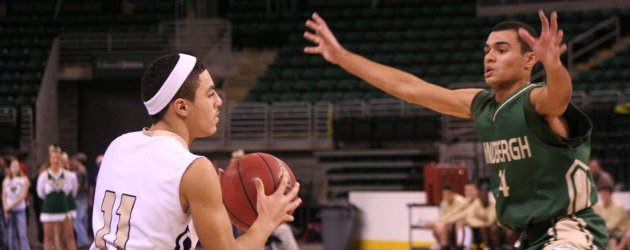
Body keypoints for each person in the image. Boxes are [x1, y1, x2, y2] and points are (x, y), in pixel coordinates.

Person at [304, 10, 609, 249]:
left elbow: (559, 98)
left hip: (571, 232)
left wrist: (554, 65)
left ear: (530, 58)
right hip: (530, 238)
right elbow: (410, 88)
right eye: (487, 50)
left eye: (501, 50)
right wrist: (342, 57)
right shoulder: (481, 105)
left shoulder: (535, 100)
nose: (489, 56)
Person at [91, 53, 301, 249]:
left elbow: (150, 217)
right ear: (181, 107)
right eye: (210, 94)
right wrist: (266, 221)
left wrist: (208, 196)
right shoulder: (194, 169)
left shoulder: (118, 145)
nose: (218, 102)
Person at [37, 145, 77, 250]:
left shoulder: (67, 174)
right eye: (53, 158)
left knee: (70, 236)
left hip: (64, 208)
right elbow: (40, 192)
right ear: (50, 159)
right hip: (49, 209)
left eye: (58, 158)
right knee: (48, 237)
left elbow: (70, 190)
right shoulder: (44, 175)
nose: (56, 160)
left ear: (61, 159)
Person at [424, 184, 466, 248]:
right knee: (438, 227)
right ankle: (443, 246)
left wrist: (446, 221)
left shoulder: (460, 201)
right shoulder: (444, 203)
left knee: (443, 227)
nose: (446, 197)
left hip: (458, 225)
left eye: (448, 194)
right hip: (447, 225)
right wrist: (434, 224)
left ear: (454, 193)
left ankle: (445, 246)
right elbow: (442, 218)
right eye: (444, 195)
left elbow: (462, 214)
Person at [3, 157, 30, 250]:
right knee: (11, 234)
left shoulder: (24, 180)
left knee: (22, 234)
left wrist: (9, 206)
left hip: (20, 209)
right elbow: (4, 196)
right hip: (10, 211)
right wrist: (5, 209)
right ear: (10, 168)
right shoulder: (6, 181)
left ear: (19, 168)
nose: (15, 168)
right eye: (13, 166)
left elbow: (22, 196)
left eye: (17, 166)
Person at [593, 185, 630, 250]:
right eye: (601, 193)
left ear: (610, 194)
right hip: (610, 233)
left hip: (623, 233)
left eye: (605, 193)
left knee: (612, 240)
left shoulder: (617, 207)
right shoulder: (599, 207)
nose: (603, 195)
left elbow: (610, 226)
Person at [70, 153, 90, 247]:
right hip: (83, 198)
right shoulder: (84, 171)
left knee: (77, 221)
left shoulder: (81, 173)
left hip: (79, 198)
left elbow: (78, 187)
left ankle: (85, 241)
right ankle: (80, 242)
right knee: (82, 221)